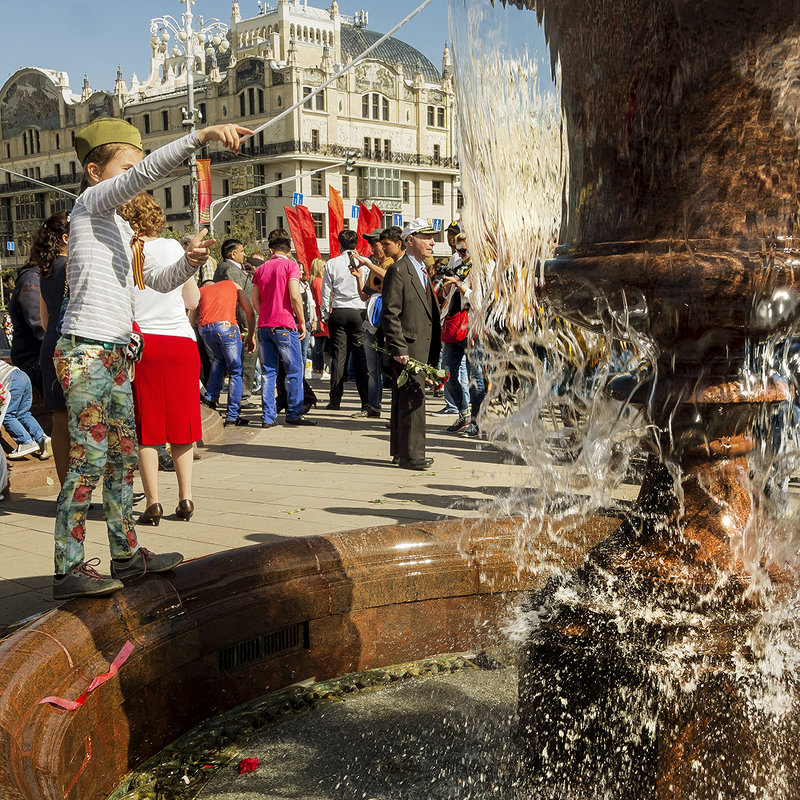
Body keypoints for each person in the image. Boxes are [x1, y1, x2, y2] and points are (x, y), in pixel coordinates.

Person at [52, 115, 252, 601]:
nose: (136, 176)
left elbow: (150, 285)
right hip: (86, 350)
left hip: (118, 350)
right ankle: (68, 568)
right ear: (96, 173)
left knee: (122, 460)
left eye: (135, 167)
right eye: (126, 167)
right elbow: (144, 177)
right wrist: (199, 138)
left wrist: (189, 262)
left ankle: (126, 553)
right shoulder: (89, 205)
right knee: (89, 460)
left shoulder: (120, 227)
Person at [120, 193, 202, 526]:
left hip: (145, 345)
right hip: (182, 343)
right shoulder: (172, 247)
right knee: (183, 426)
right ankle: (186, 497)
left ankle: (153, 503)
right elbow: (193, 299)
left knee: (148, 429)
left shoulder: (127, 251)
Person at [381, 218, 441, 470]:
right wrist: (399, 347)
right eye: (426, 237)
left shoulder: (419, 268)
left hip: (420, 343)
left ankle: (400, 451)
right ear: (410, 240)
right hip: (408, 345)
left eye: (432, 237)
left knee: (405, 398)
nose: (432, 241)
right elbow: (390, 312)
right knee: (413, 399)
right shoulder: (400, 269)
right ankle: (412, 455)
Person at [252, 228, 315, 427]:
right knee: (294, 370)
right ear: (288, 251)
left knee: (268, 372)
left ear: (270, 251)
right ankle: (294, 413)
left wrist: (265, 314)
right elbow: (295, 295)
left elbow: (255, 301)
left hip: (264, 325)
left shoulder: (260, 269)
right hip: (285, 325)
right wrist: (302, 321)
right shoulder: (291, 266)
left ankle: (267, 417)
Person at [36, 211, 71, 484]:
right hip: (74, 346)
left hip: (51, 346)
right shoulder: (73, 265)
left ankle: (66, 489)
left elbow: (45, 321)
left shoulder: (45, 271)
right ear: (66, 238)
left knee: (60, 419)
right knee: (90, 419)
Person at [320, 230, 370, 412]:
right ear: (356, 243)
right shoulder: (366, 262)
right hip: (360, 311)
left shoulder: (332, 263)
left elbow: (325, 290)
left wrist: (325, 313)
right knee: (361, 358)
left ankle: (335, 400)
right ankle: (366, 401)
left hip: (339, 310)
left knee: (338, 358)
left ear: (339, 244)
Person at [196, 279, 256, 426]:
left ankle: (210, 398)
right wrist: (251, 336)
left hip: (205, 329)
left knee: (219, 359)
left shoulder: (201, 291)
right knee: (235, 370)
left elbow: (191, 318)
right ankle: (232, 416)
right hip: (226, 327)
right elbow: (249, 312)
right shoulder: (233, 285)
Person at [214, 238, 257, 405]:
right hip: (240, 320)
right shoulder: (227, 269)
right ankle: (241, 396)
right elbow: (237, 297)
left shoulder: (234, 268)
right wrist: (246, 324)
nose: (244, 254)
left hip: (240, 319)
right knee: (244, 358)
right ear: (233, 253)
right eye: (241, 251)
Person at [9, 248, 45, 393]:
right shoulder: (32, 282)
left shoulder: (37, 279)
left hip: (38, 357)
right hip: (32, 360)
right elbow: (40, 328)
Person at [0, 359, 49, 459]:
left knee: (7, 415)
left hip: (10, 380)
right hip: (22, 376)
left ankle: (26, 442)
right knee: (23, 413)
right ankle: (42, 439)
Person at [309, 257, 329, 378]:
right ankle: (319, 369)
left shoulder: (313, 281)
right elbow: (322, 300)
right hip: (320, 315)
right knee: (319, 345)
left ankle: (318, 368)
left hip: (316, 314)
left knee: (318, 344)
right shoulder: (319, 281)